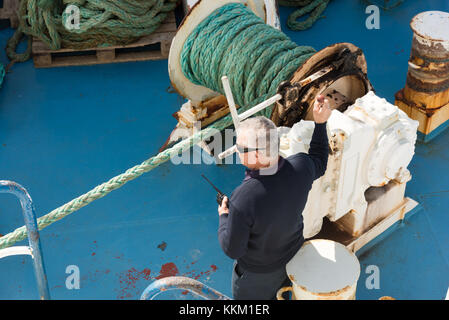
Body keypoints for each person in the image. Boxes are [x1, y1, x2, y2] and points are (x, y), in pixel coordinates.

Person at [217, 95, 331, 300]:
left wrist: (224, 216)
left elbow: (233, 249)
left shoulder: (243, 199)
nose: (237, 151)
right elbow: (320, 160)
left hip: (258, 277)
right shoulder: (301, 166)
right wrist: (320, 123)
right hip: (293, 257)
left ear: (258, 155)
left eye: (240, 148)